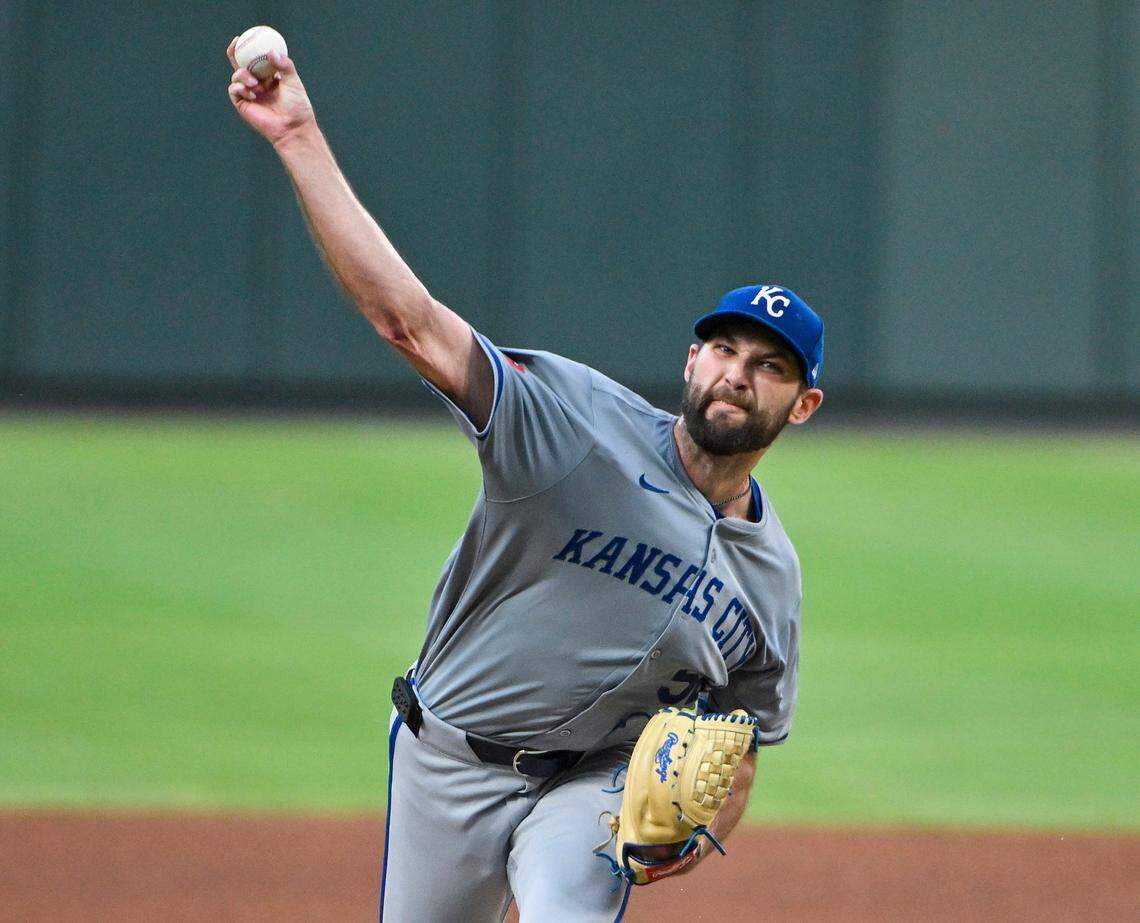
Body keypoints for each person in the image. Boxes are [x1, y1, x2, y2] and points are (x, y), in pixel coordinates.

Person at [226, 40, 824, 923]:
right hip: (449, 757)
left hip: (595, 784)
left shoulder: (772, 573)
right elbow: (410, 323)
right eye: (724, 349)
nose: (737, 374)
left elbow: (743, 740)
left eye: (768, 366)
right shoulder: (573, 426)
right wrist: (297, 136)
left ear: (802, 404)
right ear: (691, 360)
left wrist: (695, 839)